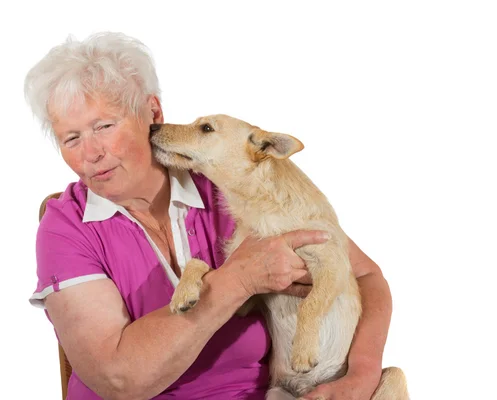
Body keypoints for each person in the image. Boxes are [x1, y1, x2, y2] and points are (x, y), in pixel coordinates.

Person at [25, 32, 393, 400]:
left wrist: (361, 374)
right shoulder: (65, 229)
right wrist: (240, 280)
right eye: (70, 139)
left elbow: (363, 273)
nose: (91, 153)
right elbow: (119, 379)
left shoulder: (230, 186)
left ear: (152, 112)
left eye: (104, 127)